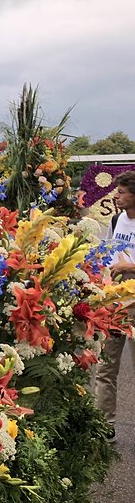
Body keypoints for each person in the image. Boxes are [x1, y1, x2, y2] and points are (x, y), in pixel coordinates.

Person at [95, 171, 135, 443]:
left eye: (121, 192)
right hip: (114, 298)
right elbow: (107, 251)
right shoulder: (116, 219)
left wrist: (128, 267)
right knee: (106, 365)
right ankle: (104, 424)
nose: (116, 196)